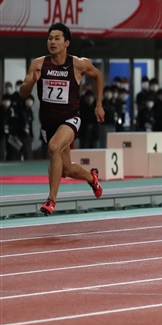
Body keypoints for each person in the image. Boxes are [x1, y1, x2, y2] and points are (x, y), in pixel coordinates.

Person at [19, 23, 105, 214]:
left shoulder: (78, 64)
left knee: (54, 147)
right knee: (66, 170)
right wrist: (33, 80)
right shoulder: (39, 64)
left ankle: (51, 200)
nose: (52, 42)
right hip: (48, 123)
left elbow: (98, 76)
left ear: (67, 43)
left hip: (70, 119)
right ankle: (92, 178)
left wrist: (99, 105)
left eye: (57, 38)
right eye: (50, 38)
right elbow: (23, 93)